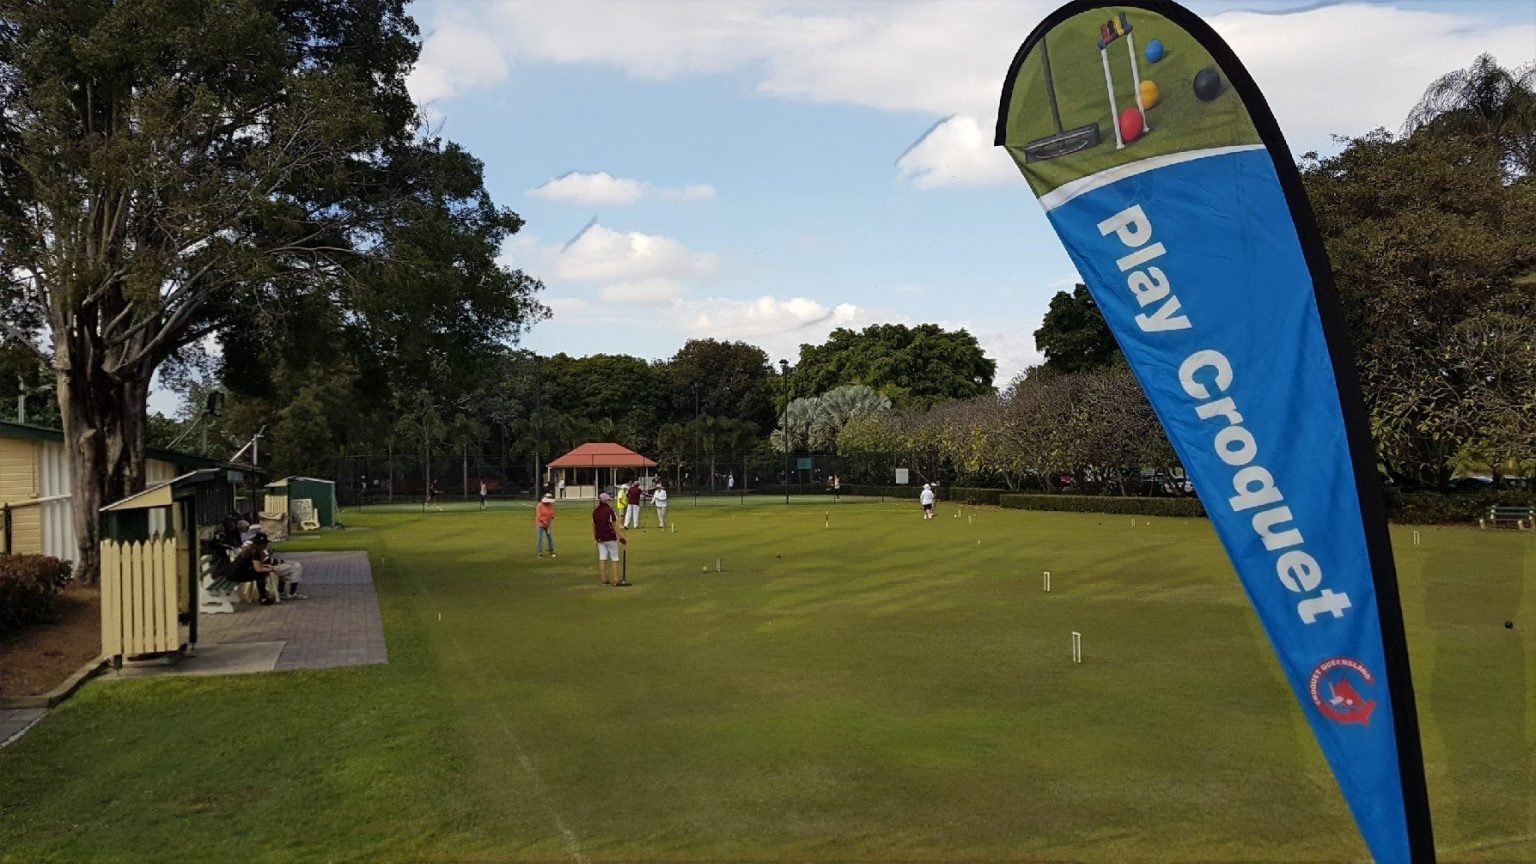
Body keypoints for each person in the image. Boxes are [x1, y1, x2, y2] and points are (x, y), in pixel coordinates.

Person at [593, 492, 620, 585]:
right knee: (615, 558)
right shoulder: (609, 511)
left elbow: (594, 525)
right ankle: (616, 579)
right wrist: (620, 536)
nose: (610, 501)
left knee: (602, 558)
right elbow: (613, 524)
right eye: (609, 500)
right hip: (610, 537)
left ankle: (604, 579)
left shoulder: (595, 511)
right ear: (605, 501)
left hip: (600, 538)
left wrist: (595, 538)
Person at [536, 493, 557, 558]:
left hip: (548, 524)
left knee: (550, 538)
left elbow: (552, 513)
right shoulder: (539, 505)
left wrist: (553, 516)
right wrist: (544, 521)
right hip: (541, 524)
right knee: (540, 538)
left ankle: (551, 551)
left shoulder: (551, 505)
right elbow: (539, 516)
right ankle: (540, 552)